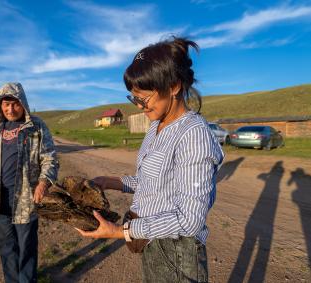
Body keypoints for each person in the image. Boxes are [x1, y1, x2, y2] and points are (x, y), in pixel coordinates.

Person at [75, 37, 224, 282]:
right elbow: (154, 183)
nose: (140, 107)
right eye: (134, 99)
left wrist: (119, 232)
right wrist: (111, 181)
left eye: (144, 99)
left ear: (174, 86)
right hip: (152, 244)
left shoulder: (193, 135)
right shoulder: (155, 126)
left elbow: (190, 220)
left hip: (178, 254)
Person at [0, 82, 59, 283]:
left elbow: (49, 157)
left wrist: (43, 182)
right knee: (6, 248)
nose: (10, 109)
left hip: (27, 200)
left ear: (23, 103)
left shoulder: (36, 127)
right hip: (1, 201)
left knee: (26, 248)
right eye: (5, 104)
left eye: (15, 104)